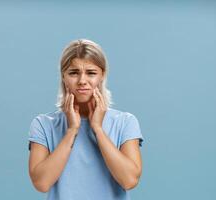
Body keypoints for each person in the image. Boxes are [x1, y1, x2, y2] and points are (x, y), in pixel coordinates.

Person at [27, 39, 144, 200]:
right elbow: (41, 183)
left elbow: (129, 180)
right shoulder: (43, 124)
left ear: (102, 75)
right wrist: (72, 130)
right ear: (64, 76)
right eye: (74, 72)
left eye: (91, 73)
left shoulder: (125, 122)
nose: (82, 81)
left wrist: (97, 129)